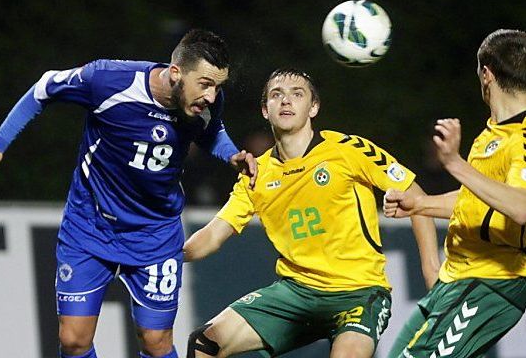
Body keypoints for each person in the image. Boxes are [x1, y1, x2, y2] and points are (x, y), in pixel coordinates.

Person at [0, 29, 257, 358]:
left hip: (155, 233)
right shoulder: (107, 80)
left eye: (218, 86)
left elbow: (211, 131)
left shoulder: (204, 102)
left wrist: (231, 155)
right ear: (176, 73)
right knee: (74, 340)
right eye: (205, 84)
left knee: (156, 342)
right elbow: (44, 87)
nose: (212, 96)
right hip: (90, 226)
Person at [183, 68, 440, 358]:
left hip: (358, 293)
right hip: (296, 293)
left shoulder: (348, 150)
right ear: (265, 110)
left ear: (313, 108)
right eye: (276, 95)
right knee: (205, 341)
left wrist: (432, 274)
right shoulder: (256, 174)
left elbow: (417, 196)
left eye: (297, 94)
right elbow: (212, 235)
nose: (286, 101)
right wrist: (164, 253)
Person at [383, 29, 526, 358]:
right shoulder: (492, 133)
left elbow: (521, 208)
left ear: (486, 74)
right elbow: (479, 201)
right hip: (456, 281)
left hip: (491, 284)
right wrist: (421, 204)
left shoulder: (522, 137)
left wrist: (454, 162)